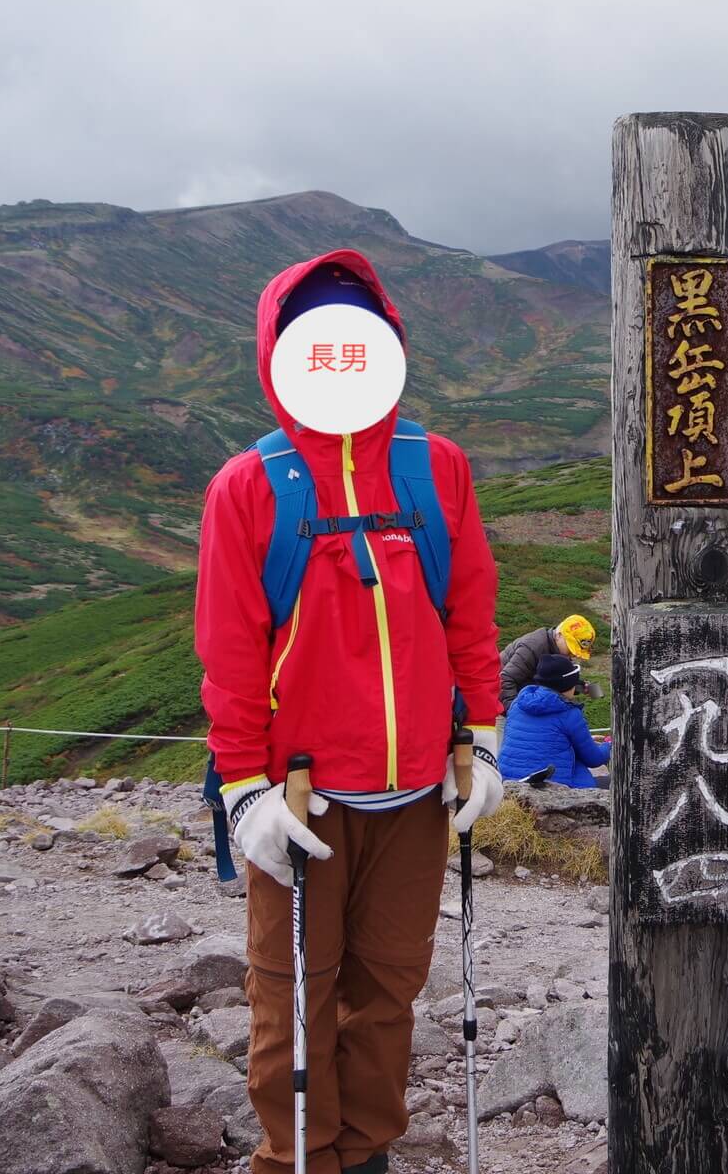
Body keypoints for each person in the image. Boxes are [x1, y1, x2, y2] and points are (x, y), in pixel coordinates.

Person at [194, 252, 506, 1174]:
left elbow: (470, 613)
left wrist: (480, 741)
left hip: (416, 795)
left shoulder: (435, 469)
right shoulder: (249, 486)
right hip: (302, 799)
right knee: (291, 993)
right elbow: (231, 654)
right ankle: (298, 1159)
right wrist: (246, 794)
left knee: (389, 989)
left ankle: (365, 1153)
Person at [499, 653, 610, 788]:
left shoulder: (517, 704)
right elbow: (594, 759)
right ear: (568, 684)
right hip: (553, 786)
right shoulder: (568, 713)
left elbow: (541, 741)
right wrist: (610, 745)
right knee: (613, 783)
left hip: (510, 783)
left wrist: (586, 740)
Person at [498, 614, 595, 707]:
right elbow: (505, 679)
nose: (574, 654)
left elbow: (555, 681)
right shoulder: (533, 647)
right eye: (571, 647)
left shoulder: (560, 651)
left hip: (527, 698)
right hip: (499, 702)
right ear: (559, 635)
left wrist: (580, 686)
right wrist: (514, 712)